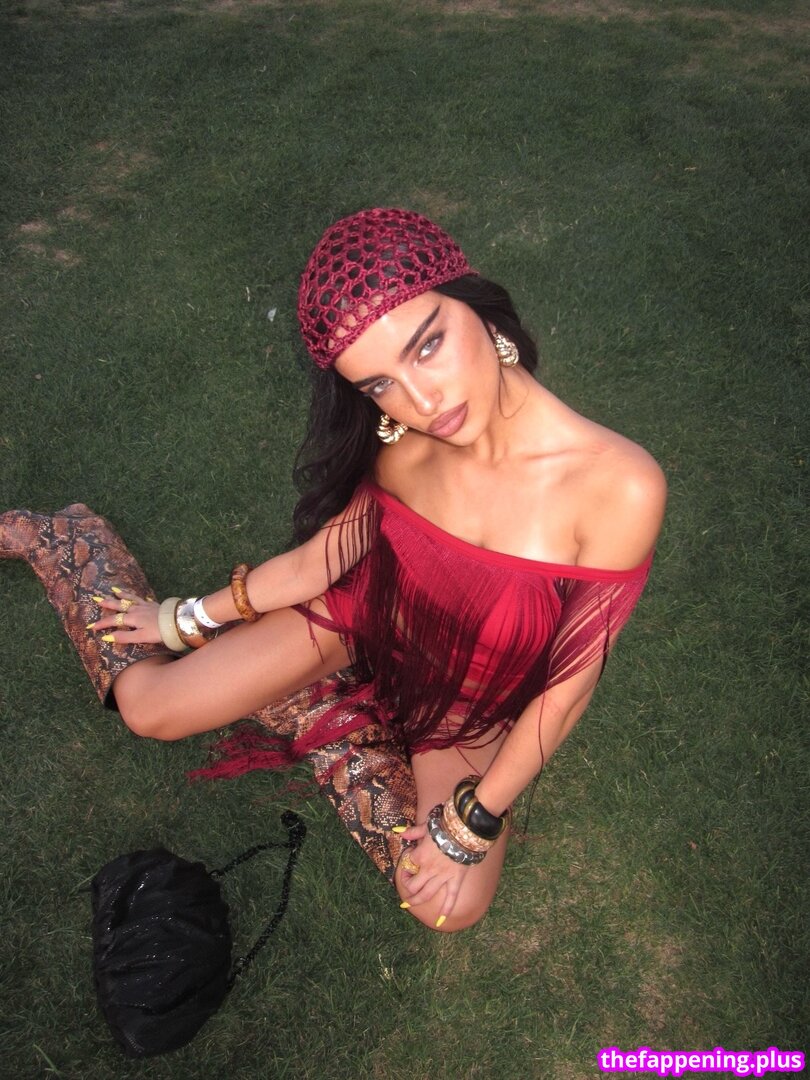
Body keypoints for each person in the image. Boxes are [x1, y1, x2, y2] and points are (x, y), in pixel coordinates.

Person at [1, 208, 666, 933]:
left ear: (475, 303)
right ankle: (65, 540)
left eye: (429, 345)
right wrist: (182, 619)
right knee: (147, 709)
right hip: (357, 623)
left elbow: (567, 692)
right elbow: (323, 561)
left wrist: (471, 823)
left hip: (466, 712)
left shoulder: (619, 486)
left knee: (445, 907)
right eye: (380, 385)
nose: (422, 403)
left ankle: (328, 716)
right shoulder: (405, 446)